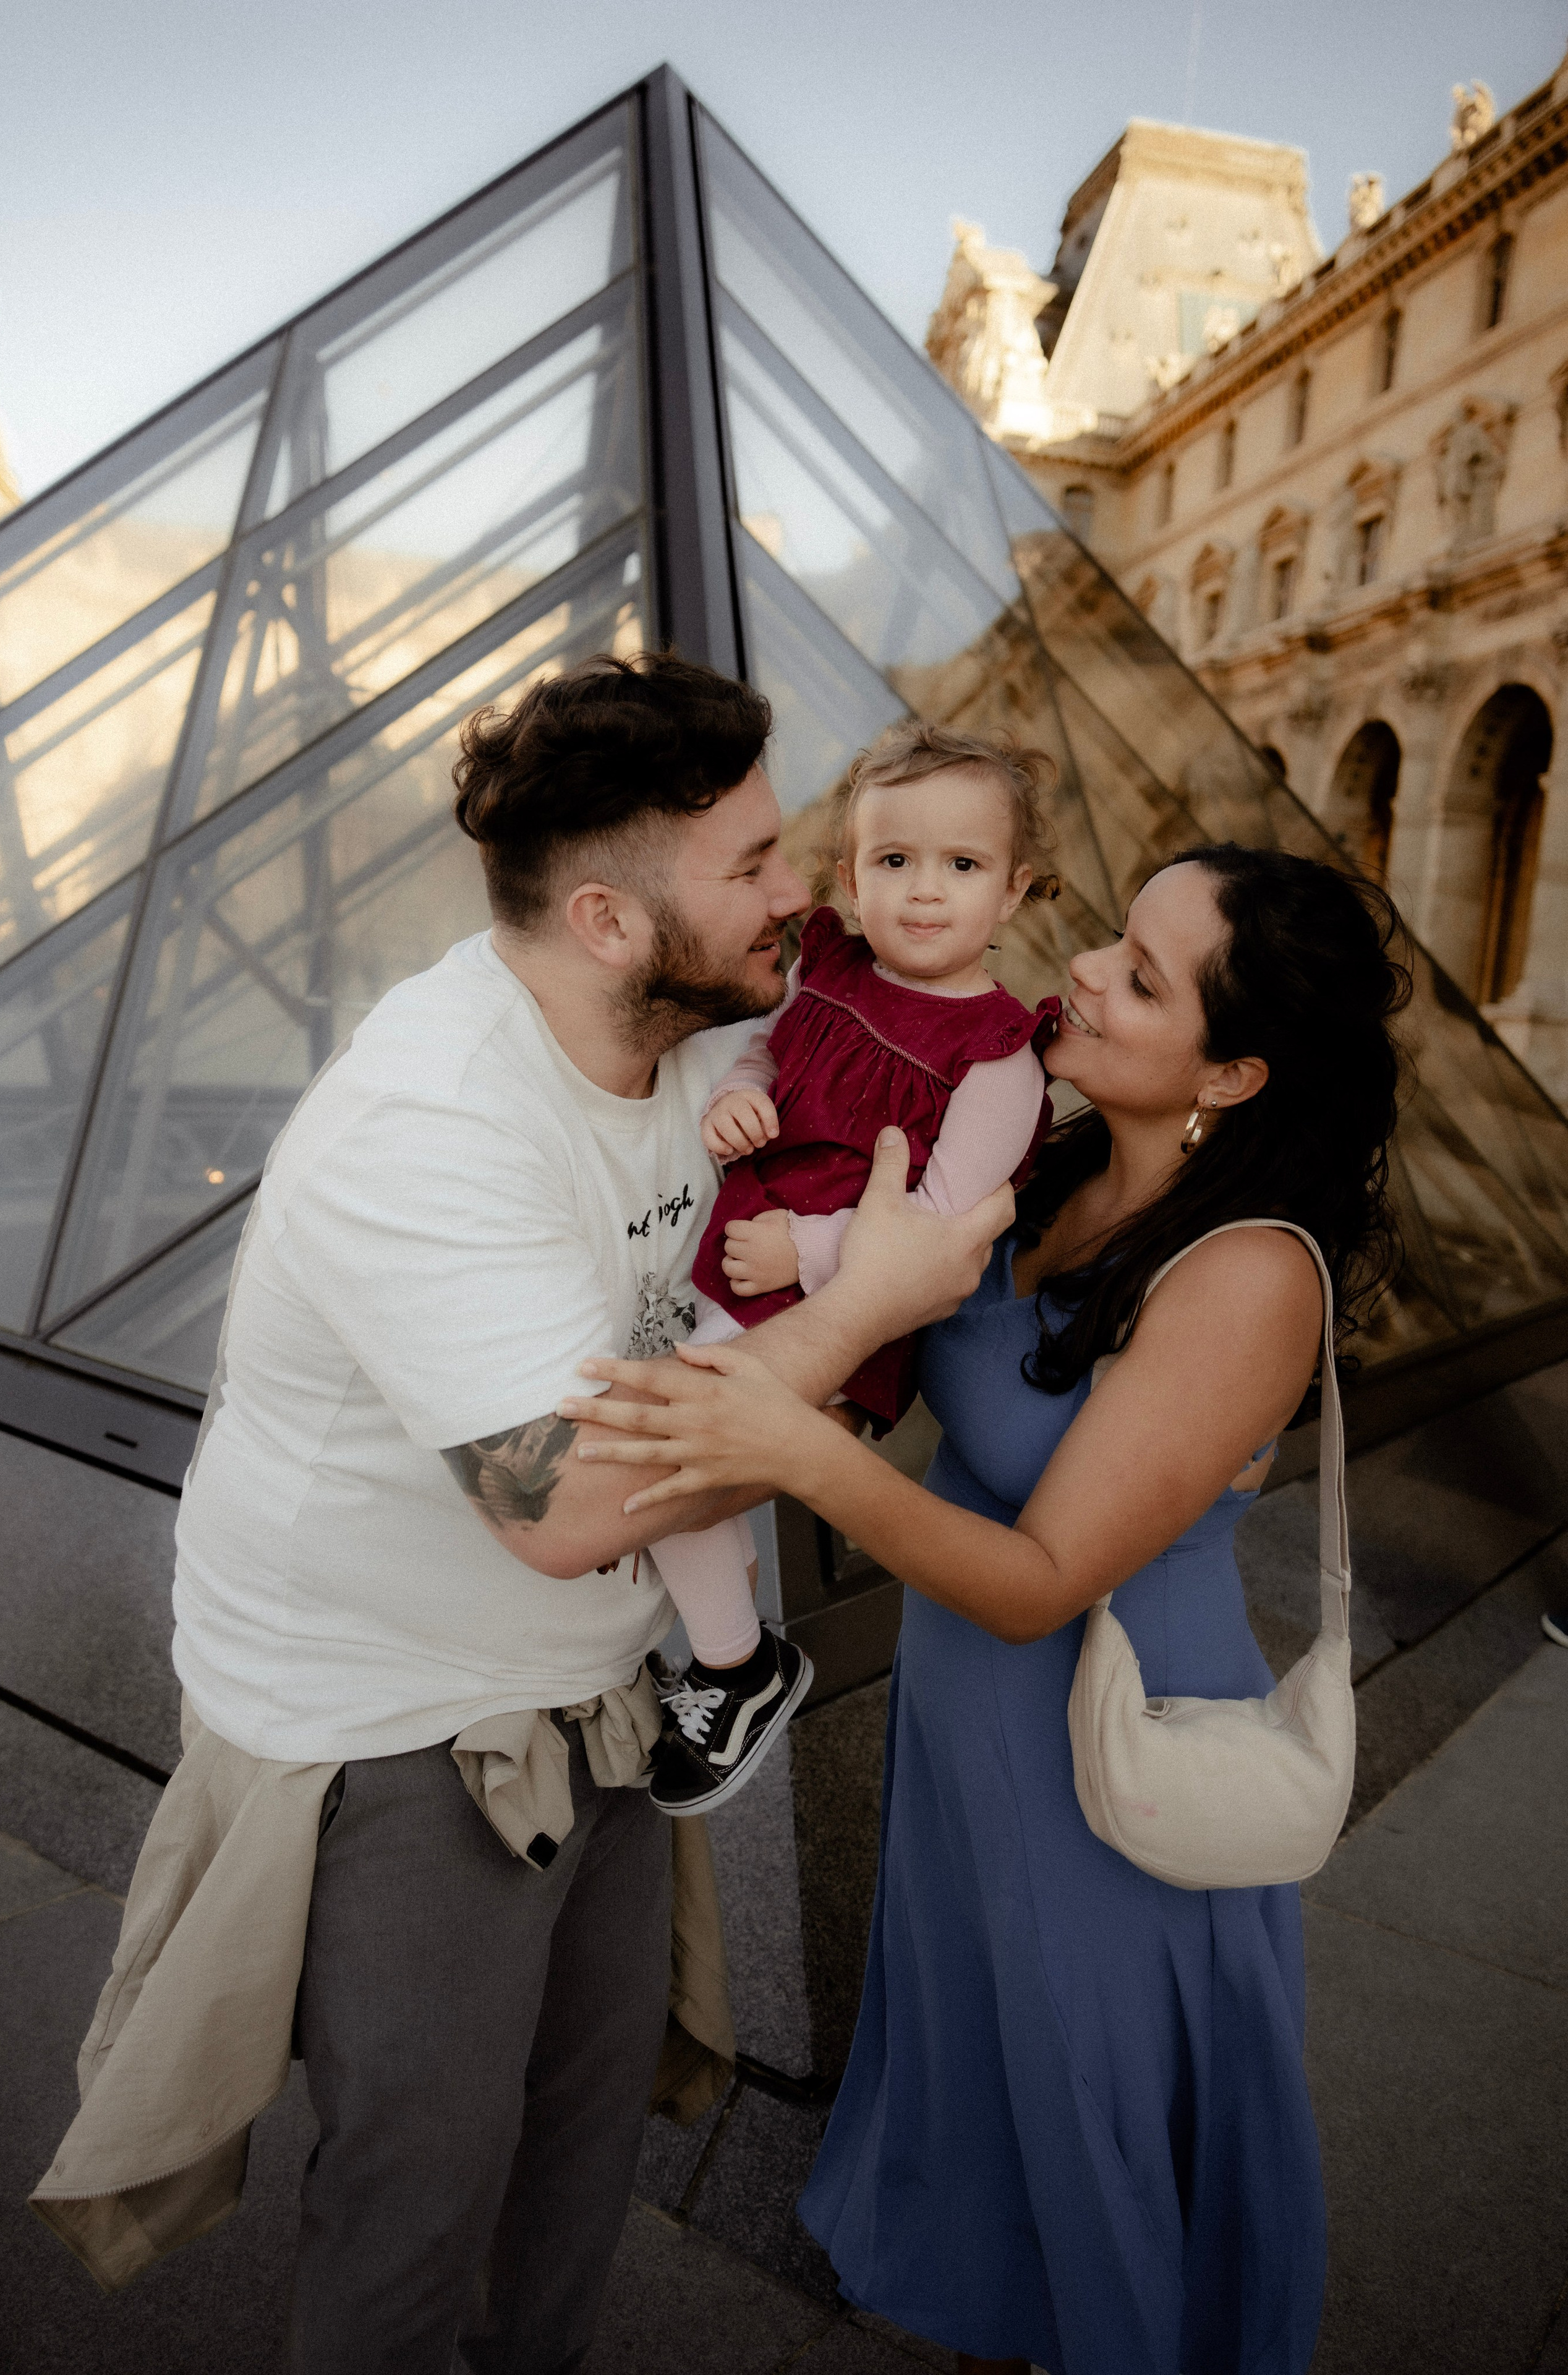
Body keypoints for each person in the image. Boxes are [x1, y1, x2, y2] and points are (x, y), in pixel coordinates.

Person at [160, 651, 1010, 2374]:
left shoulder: (712, 1034)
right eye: (762, 867)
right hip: (402, 1726)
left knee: (581, 2137)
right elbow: (576, 1508)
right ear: (615, 922)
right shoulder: (431, 1125)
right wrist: (863, 1305)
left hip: (613, 1690)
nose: (810, 893)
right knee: (419, 2192)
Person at [566, 841, 1410, 2375]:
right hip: (972, 1731)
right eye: (1108, 939)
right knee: (996, 2086)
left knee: (1086, 2114)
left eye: (1140, 979)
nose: (1079, 968)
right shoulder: (1057, 1159)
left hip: (1107, 1754)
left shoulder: (1244, 1276)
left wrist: (796, 1454)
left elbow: (1036, 1583)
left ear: (1230, 1072)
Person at [643, 721, 1062, 1817]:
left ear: (1013, 893)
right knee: (667, 1447)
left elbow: (943, 1229)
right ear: (847, 877)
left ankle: (737, 1667)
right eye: (894, 862)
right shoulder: (822, 965)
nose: (925, 894)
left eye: (962, 867)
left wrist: (809, 1248)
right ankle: (711, 1617)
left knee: (667, 1454)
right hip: (741, 1249)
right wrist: (741, 1089)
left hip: (830, 1295)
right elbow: (764, 1050)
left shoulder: (1000, 1059)